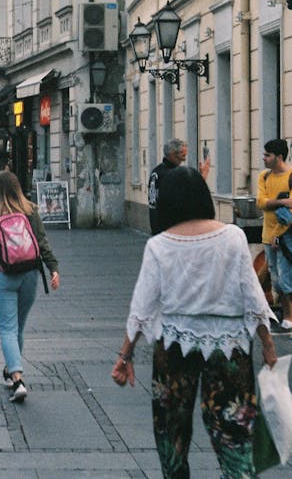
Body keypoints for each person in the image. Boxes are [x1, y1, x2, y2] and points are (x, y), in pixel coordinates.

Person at [112, 166, 277, 477]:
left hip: (174, 344)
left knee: (171, 430)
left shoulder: (159, 245)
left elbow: (142, 307)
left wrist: (125, 355)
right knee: (234, 429)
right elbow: (252, 295)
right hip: (229, 345)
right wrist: (268, 345)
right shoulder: (233, 237)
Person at [0, 171, 60, 403]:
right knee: (18, 327)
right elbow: (42, 241)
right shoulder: (30, 210)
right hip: (30, 273)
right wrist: (53, 268)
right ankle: (11, 370)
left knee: (8, 328)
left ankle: (17, 378)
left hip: (1, 275)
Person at [256, 138, 292, 331]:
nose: (264, 158)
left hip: (286, 235)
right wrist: (281, 202)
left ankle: (289, 316)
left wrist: (278, 235)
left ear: (279, 157)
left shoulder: (291, 175)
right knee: (276, 279)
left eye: (267, 155)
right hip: (268, 234)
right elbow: (261, 202)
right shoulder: (264, 176)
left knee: (286, 279)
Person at [147, 138, 211, 235]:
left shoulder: (157, 171)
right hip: (170, 229)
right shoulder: (172, 175)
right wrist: (202, 177)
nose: (184, 159)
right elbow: (189, 197)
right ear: (172, 154)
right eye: (182, 155)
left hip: (157, 227)